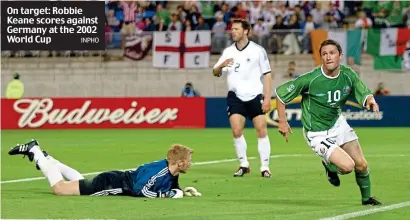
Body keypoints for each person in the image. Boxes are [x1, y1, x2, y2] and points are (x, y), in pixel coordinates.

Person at [274, 39, 382, 205]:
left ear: (340, 56)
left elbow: (362, 90)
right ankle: (329, 165)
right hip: (316, 132)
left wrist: (370, 100)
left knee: (361, 165)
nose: (328, 57)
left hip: (338, 124)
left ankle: (367, 199)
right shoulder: (310, 79)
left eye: (332, 53)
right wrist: (282, 121)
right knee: (347, 167)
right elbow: (281, 95)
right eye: (324, 54)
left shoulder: (348, 74)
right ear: (321, 58)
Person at [8, 140, 201, 198]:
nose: (190, 163)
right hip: (110, 183)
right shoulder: (160, 171)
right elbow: (139, 190)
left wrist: (183, 191)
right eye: (188, 159)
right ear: (179, 163)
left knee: (79, 181)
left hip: (113, 178)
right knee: (60, 189)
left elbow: (169, 185)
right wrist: (167, 196)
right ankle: (36, 152)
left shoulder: (169, 170)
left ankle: (50, 160)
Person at [212, 19, 273, 178]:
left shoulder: (258, 50)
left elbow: (267, 75)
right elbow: (216, 72)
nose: (233, 31)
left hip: (255, 96)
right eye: (232, 29)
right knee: (237, 130)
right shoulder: (228, 52)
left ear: (246, 31)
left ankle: (265, 167)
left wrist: (267, 98)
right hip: (235, 97)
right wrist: (221, 65)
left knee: (261, 130)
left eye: (236, 29)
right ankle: (244, 164)